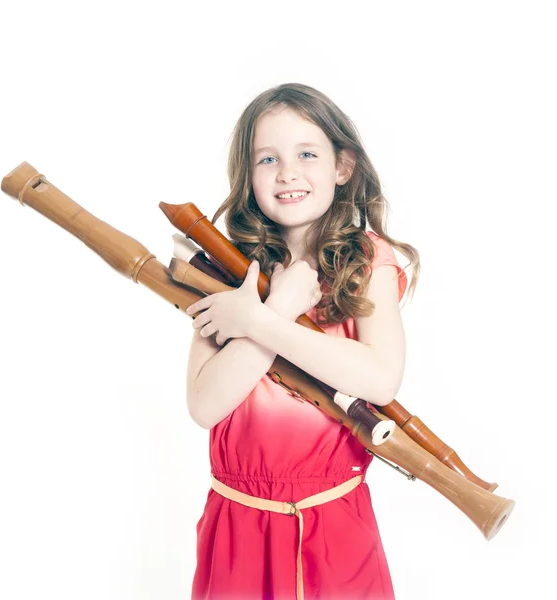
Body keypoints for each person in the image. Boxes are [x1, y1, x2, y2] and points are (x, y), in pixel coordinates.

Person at [184, 83, 420, 600]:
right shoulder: (225, 267)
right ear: (248, 177)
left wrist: (265, 324)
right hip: (237, 521)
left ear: (343, 167)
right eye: (267, 159)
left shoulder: (366, 260)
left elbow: (379, 377)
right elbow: (205, 404)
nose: (287, 173)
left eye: (307, 154)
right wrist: (278, 306)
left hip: (335, 521)